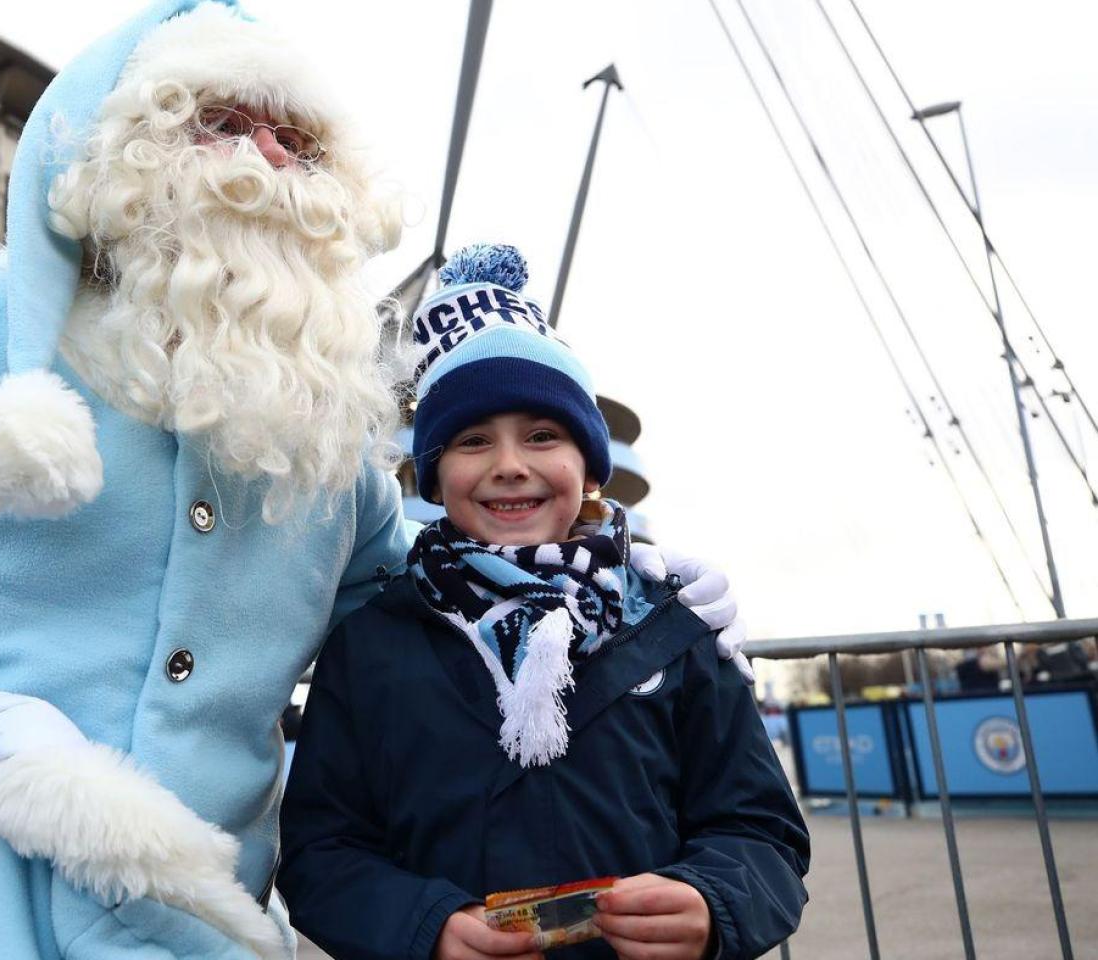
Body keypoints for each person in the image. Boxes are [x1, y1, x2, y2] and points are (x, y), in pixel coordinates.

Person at [0, 5, 745, 957]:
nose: (261, 164)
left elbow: (428, 605)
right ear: (111, 151)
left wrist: (610, 591)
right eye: (220, 124)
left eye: (294, 143)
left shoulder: (327, 451)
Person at [279, 245, 808, 960]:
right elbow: (323, 849)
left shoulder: (675, 628)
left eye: (542, 435)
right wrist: (423, 927)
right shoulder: (373, 642)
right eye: (471, 441)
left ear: (589, 465)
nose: (509, 464)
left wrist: (713, 903)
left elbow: (760, 829)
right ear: (434, 480)